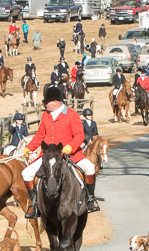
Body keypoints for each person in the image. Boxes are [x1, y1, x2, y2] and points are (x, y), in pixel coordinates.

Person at [20, 85, 100, 218]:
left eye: (47, 102)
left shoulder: (72, 115)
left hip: (70, 154)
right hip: (48, 156)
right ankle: (35, 205)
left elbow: (79, 135)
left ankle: (90, 199)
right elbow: (40, 135)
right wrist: (29, 148)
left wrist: (71, 147)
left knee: (90, 168)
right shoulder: (46, 115)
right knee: (26, 173)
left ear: (56, 102)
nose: (45, 104)